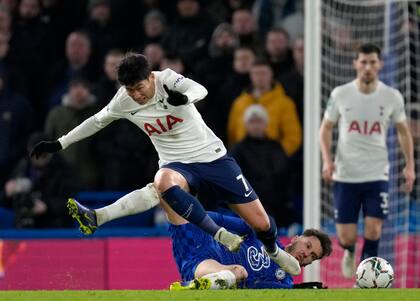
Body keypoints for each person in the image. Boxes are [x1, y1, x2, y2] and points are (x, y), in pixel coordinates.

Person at [31, 53, 301, 276]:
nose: (135, 95)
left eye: (139, 87)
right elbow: (96, 121)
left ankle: (274, 251)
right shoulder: (124, 100)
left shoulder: (168, 79)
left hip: (212, 157)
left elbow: (199, 89)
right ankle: (218, 234)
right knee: (162, 183)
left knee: (262, 224)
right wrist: (59, 143)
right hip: (176, 164)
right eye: (129, 89)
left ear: (150, 77)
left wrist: (184, 98)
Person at [65, 183, 332, 289]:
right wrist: (197, 217)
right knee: (165, 187)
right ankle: (96, 217)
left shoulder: (283, 283)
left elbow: (251, 290)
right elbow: (217, 219)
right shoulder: (261, 231)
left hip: (207, 266)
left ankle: (198, 286)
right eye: (308, 245)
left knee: (238, 271)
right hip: (198, 239)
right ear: (296, 238)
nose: (306, 253)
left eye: (312, 255)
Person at [319, 43, 415, 279]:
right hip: (345, 174)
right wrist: (327, 161)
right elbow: (325, 129)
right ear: (355, 64)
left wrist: (410, 165)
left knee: (373, 229)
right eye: (363, 62)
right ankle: (350, 252)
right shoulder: (341, 94)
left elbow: (404, 131)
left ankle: (366, 278)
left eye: (372, 62)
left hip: (377, 174)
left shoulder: (391, 96)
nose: (368, 67)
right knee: (346, 237)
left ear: (380, 65)